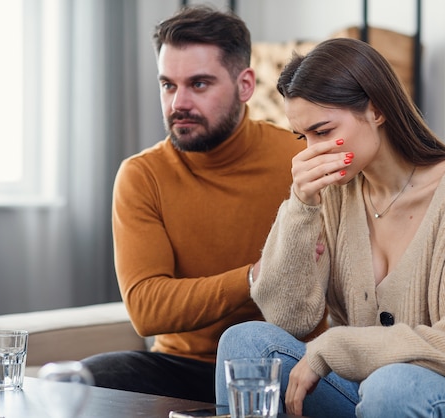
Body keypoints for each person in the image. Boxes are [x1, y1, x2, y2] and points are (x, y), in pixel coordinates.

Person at [215, 38, 445, 417]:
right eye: (303, 137)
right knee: (245, 343)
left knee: (392, 385)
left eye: (324, 131)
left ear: (376, 109)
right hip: (369, 395)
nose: (311, 151)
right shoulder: (334, 192)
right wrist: (301, 203)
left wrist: (335, 348)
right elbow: (290, 320)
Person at [80, 6, 319, 403]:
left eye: (199, 84)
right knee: (88, 378)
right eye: (168, 85)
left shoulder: (298, 159)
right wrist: (256, 277)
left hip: (283, 361)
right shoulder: (142, 175)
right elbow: (146, 308)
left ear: (245, 85)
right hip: (184, 367)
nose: (178, 103)